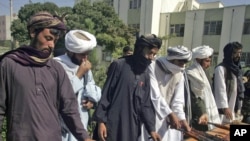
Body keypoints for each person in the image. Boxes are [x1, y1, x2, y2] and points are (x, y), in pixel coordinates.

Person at [0, 11, 93, 141]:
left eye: (54, 41)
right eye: (48, 38)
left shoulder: (55, 69)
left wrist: (85, 138)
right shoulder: (9, 64)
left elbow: (69, 108)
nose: (52, 45)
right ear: (33, 32)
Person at [93, 34, 162, 141]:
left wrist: (151, 129)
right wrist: (101, 122)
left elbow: (146, 105)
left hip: (131, 127)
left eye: (154, 54)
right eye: (150, 53)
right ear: (140, 49)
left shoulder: (145, 74)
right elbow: (106, 95)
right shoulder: (119, 65)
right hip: (111, 126)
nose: (151, 58)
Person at [54, 29, 102, 141]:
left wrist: (91, 101)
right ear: (71, 51)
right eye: (82, 54)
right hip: (63, 129)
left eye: (87, 54)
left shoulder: (84, 66)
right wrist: (79, 74)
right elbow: (60, 95)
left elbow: (94, 89)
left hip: (81, 126)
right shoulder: (57, 66)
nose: (85, 58)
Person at [143, 46, 192, 141]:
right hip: (151, 116)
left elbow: (178, 101)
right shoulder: (152, 66)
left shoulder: (180, 74)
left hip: (170, 118)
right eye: (180, 62)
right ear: (172, 59)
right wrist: (170, 114)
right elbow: (155, 95)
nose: (182, 65)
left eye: (185, 62)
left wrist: (182, 118)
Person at [186, 45, 221, 131]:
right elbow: (196, 97)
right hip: (196, 114)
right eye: (207, 61)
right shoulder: (192, 73)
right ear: (198, 60)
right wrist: (203, 113)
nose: (209, 64)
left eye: (210, 61)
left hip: (205, 113)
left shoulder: (205, 73)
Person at [213, 41, 245, 123]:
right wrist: (225, 107)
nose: (238, 56)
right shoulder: (221, 69)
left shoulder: (237, 70)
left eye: (240, 53)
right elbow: (220, 90)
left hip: (234, 108)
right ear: (228, 54)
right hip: (223, 110)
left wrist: (239, 108)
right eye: (235, 53)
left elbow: (239, 90)